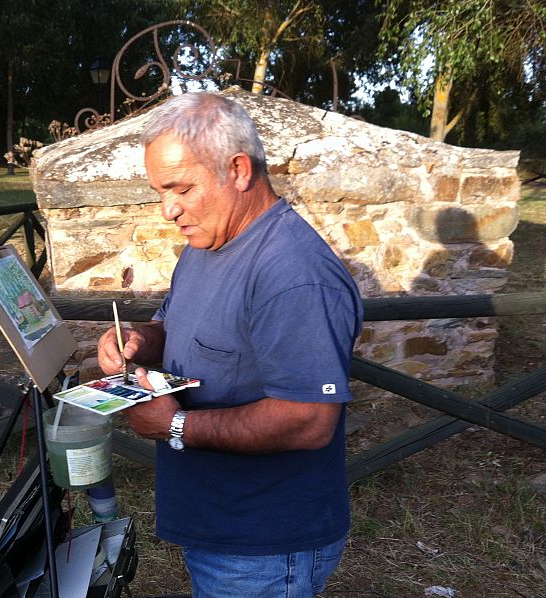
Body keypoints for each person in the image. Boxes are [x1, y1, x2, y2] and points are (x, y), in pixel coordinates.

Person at [96, 92, 363, 598]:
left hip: (263, 543)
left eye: (179, 188)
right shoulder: (207, 241)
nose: (166, 210)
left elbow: (309, 420)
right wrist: (138, 340)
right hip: (222, 525)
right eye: (159, 191)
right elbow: (178, 328)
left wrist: (175, 425)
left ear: (238, 169)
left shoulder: (293, 273)